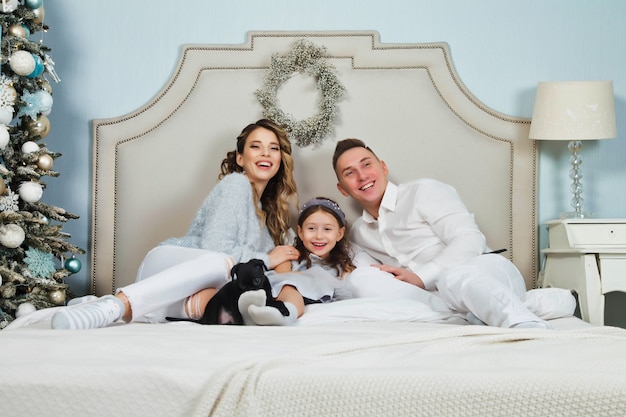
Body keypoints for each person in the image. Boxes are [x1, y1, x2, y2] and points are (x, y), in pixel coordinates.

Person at [51, 119, 305, 330]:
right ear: (240, 158)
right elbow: (217, 248)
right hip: (168, 264)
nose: (265, 154)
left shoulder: (267, 214)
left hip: (189, 287)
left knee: (219, 303)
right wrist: (268, 259)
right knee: (221, 264)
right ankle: (114, 306)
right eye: (256, 146)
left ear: (281, 159)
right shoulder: (235, 185)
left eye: (273, 149)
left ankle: (97, 304)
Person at [332, 138, 575, 329]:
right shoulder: (359, 234)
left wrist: (421, 276)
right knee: (360, 280)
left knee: (453, 277)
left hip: (482, 270)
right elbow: (374, 280)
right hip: (432, 299)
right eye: (350, 172)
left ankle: (525, 323)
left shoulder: (423, 192)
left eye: (367, 164)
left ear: (383, 167)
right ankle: (470, 314)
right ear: (342, 189)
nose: (362, 175)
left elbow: (469, 240)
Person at [236, 196, 355, 325]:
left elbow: (346, 289)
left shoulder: (341, 265)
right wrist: (311, 277)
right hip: (286, 294)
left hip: (318, 300)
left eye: (327, 229)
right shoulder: (291, 256)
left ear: (339, 234)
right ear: (300, 232)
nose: (319, 236)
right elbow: (282, 275)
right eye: (311, 229)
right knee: (289, 286)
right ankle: (275, 312)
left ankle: (283, 316)